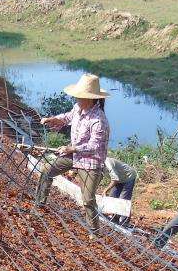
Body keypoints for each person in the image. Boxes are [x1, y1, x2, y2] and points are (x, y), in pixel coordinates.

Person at [36, 74, 110, 234]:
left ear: (89, 98)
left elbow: (94, 146)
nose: (76, 98)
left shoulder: (99, 120)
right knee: (47, 170)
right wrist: (52, 119)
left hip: (91, 161)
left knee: (88, 199)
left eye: (79, 96)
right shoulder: (78, 108)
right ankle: (39, 203)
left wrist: (72, 149)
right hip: (74, 154)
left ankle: (94, 232)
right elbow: (67, 117)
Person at [103, 155, 137, 227]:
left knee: (123, 199)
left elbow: (115, 179)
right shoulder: (99, 164)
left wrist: (105, 190)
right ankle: (115, 218)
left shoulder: (107, 163)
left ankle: (125, 221)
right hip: (120, 178)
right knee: (113, 196)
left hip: (129, 177)